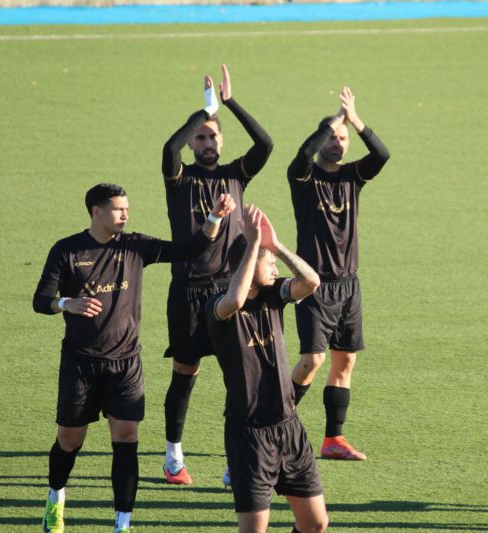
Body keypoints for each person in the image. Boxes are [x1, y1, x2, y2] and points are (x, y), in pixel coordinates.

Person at [33, 183, 234, 533]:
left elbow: (190, 249)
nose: (125, 214)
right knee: (69, 441)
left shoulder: (135, 246)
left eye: (127, 208)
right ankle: (56, 497)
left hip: (125, 363)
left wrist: (214, 217)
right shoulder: (67, 250)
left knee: (126, 438)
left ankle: (122, 524)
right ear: (96, 212)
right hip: (81, 364)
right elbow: (40, 300)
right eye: (118, 209)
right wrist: (66, 303)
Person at [161, 64, 273, 485]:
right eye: (201, 137)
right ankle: (173, 457)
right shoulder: (180, 178)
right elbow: (168, 149)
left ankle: (237, 460)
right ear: (192, 142)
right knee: (185, 374)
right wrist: (204, 110)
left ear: (222, 142)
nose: (207, 143)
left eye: (213, 137)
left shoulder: (235, 174)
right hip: (187, 292)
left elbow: (265, 143)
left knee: (239, 376)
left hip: (228, 291)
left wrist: (230, 104)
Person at [206, 205, 328, 533]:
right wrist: (253, 244)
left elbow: (311, 281)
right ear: (247, 264)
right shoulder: (217, 306)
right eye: (269, 262)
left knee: (316, 523)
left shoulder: (274, 295)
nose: (275, 269)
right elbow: (235, 300)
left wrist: (276, 246)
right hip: (249, 435)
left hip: (289, 427)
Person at [287, 86, 390, 461]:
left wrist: (354, 120)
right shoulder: (303, 178)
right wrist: (333, 121)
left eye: (343, 139)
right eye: (332, 137)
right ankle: (273, 423)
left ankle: (333, 439)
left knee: (345, 361)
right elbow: (303, 154)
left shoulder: (352, 176)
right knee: (311, 362)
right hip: (314, 285)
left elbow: (382, 154)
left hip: (349, 286)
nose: (338, 143)